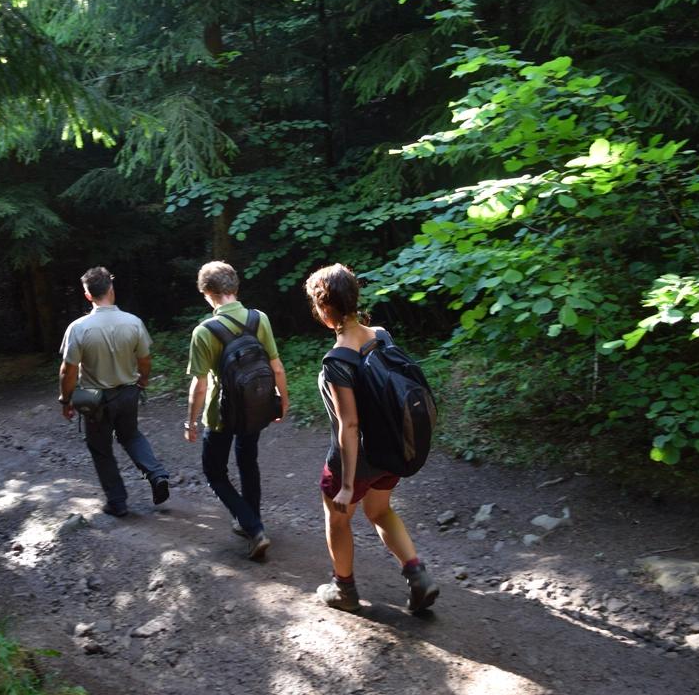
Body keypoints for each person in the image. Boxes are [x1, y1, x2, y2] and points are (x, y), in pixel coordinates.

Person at [303, 263, 438, 613]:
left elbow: (349, 425)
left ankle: (343, 590)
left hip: (356, 460)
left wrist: (347, 484)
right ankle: (418, 575)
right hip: (392, 448)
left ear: (323, 309)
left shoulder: (338, 360)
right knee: (380, 510)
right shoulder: (381, 335)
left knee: (337, 518)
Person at [184, 261, 289, 560]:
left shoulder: (205, 331)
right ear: (235, 288)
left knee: (214, 472)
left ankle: (254, 528)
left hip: (221, 414)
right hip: (256, 406)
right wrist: (282, 400)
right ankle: (251, 521)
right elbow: (276, 366)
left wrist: (190, 421)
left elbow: (200, 385)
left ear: (208, 293)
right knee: (248, 461)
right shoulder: (259, 319)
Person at [59, 266, 171, 517]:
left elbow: (67, 371)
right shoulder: (133, 322)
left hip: (95, 401)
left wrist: (65, 400)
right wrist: (143, 380)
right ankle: (157, 474)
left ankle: (118, 502)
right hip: (129, 393)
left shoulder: (78, 328)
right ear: (111, 288)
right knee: (131, 436)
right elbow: (145, 360)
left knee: (100, 448)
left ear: (88, 295)